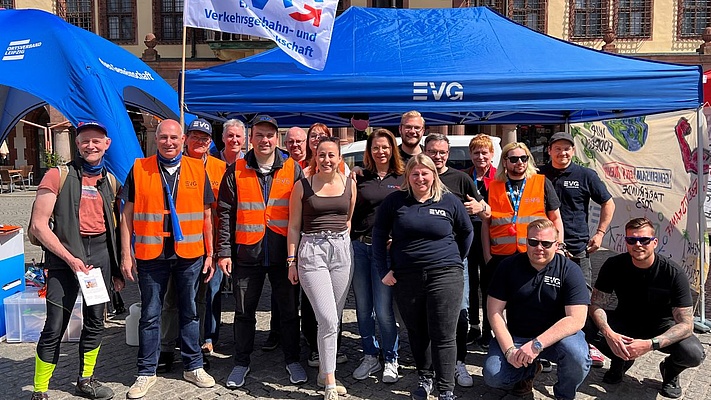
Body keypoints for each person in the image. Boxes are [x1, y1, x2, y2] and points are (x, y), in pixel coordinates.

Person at [120, 119, 216, 399]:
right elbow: (126, 214)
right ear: (156, 139)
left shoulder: (198, 168)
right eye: (163, 137)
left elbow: (207, 215)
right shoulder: (140, 168)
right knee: (150, 315)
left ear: (183, 139)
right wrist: (127, 253)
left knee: (190, 311)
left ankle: (193, 365)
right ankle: (146, 372)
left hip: (190, 254)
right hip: (151, 254)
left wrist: (210, 252)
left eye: (174, 137)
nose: (169, 142)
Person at [29, 121, 122, 400]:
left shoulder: (111, 180)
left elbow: (115, 227)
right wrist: (70, 259)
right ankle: (40, 390)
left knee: (96, 321)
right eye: (84, 141)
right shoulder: (58, 175)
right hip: (64, 256)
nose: (90, 146)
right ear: (77, 144)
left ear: (106, 144)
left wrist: (116, 270)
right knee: (55, 324)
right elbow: (38, 226)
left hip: (100, 257)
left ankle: (86, 380)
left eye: (96, 141)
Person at [216, 115, 307, 388]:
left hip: (283, 255)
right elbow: (225, 214)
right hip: (247, 254)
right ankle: (241, 362)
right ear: (250, 138)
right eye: (259, 135)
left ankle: (292, 359)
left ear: (276, 139)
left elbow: (303, 212)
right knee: (244, 312)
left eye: (269, 135)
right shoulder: (235, 170)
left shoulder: (292, 169)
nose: (264, 140)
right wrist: (224, 251)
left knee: (290, 312)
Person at [373, 155, 473, 400]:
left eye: (425, 173)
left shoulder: (449, 200)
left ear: (433, 175)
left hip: (445, 274)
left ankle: (446, 389)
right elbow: (378, 235)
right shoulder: (395, 201)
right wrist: (383, 270)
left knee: (444, 333)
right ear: (408, 176)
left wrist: (454, 260)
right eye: (415, 173)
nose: (420, 178)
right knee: (417, 331)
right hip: (407, 277)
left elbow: (467, 231)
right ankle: (425, 378)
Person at [585, 217, 705, 398]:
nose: (638, 244)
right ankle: (621, 360)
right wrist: (610, 334)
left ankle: (670, 372)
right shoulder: (614, 265)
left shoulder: (673, 273)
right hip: (625, 322)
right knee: (582, 321)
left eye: (644, 240)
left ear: (654, 242)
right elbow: (597, 304)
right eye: (631, 240)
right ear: (626, 242)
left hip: (661, 327)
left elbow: (686, 324)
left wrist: (651, 344)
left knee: (693, 353)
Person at [483, 218, 591, 399]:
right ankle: (529, 370)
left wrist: (537, 344)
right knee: (494, 377)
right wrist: (509, 350)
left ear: (557, 245)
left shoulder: (570, 270)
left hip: (558, 339)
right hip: (518, 337)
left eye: (546, 243)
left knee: (577, 356)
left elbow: (577, 319)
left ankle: (564, 395)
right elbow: (494, 311)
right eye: (533, 242)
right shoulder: (508, 266)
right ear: (526, 242)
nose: (539, 247)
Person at [287, 136, 357, 400]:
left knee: (334, 319)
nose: (326, 160)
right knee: (326, 318)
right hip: (311, 251)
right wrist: (291, 261)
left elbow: (348, 219)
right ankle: (330, 381)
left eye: (332, 155)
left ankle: (324, 371)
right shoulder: (302, 186)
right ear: (315, 157)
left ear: (340, 159)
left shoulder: (350, 184)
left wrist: (342, 246)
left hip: (341, 251)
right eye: (321, 154)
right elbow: (293, 226)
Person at [481, 142, 563, 360]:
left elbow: (555, 218)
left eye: (523, 158)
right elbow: (486, 224)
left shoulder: (541, 182)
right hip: (501, 255)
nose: (519, 163)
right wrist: (487, 254)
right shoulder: (495, 185)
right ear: (505, 162)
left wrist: (558, 246)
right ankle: (502, 344)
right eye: (514, 159)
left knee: (533, 301)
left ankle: (538, 348)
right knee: (496, 303)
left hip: (534, 253)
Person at [539, 131, 615, 368]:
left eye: (567, 148)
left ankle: (585, 343)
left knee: (581, 297)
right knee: (546, 297)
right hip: (544, 248)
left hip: (577, 248)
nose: (563, 153)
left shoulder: (585, 175)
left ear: (573, 151)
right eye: (558, 148)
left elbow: (608, 202)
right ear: (549, 150)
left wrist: (600, 233)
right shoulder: (539, 175)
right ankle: (546, 344)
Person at [157, 118, 227, 372]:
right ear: (186, 139)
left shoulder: (220, 168)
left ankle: (198, 345)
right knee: (170, 300)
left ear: (210, 143)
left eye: (204, 138)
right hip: (170, 246)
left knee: (200, 301)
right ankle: (166, 348)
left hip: (205, 246)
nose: (200, 141)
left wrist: (217, 249)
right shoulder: (171, 165)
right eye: (195, 137)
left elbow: (219, 212)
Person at [424, 133, 488, 388]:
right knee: (427, 315)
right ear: (424, 151)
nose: (437, 157)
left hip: (454, 261)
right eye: (432, 151)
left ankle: (459, 361)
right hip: (423, 259)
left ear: (448, 154)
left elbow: (485, 211)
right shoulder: (416, 174)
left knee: (459, 313)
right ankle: (428, 368)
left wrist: (479, 209)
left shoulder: (460, 179)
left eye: (442, 152)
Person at [350, 128, 404, 383]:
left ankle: (391, 357)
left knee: (383, 309)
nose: (380, 151)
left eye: (385, 147)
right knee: (362, 308)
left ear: (392, 149)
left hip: (387, 251)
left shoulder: (402, 177)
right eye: (375, 147)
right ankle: (370, 355)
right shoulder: (360, 176)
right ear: (369, 151)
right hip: (360, 247)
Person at [261, 126, 309, 352]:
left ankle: (307, 335)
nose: (295, 145)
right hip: (282, 240)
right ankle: (276, 331)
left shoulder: (315, 164)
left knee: (306, 293)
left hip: (306, 240)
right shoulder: (282, 166)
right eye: (291, 142)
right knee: (282, 292)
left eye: (299, 141)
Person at [463, 134, 497, 346]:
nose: (480, 156)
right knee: (470, 282)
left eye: (484, 152)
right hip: (468, 234)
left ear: (492, 154)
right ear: (471, 155)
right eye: (476, 152)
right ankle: (473, 326)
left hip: (492, 236)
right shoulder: (465, 175)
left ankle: (488, 329)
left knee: (488, 282)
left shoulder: (499, 177)